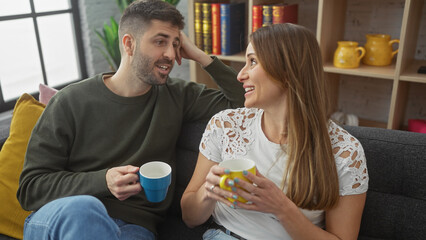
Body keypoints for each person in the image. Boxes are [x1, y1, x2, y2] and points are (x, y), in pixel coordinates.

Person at [17, 0, 244, 239]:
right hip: (65, 217)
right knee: (85, 210)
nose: (170, 53)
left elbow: (245, 103)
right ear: (129, 43)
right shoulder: (70, 101)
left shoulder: (178, 95)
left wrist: (200, 55)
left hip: (134, 227)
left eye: (175, 44)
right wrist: (102, 181)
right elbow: (31, 188)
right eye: (160, 42)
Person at [181, 23, 369, 240]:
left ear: (287, 72)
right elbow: (189, 217)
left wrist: (281, 208)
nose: (240, 75)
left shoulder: (345, 151)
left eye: (252, 62)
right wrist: (209, 191)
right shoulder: (226, 125)